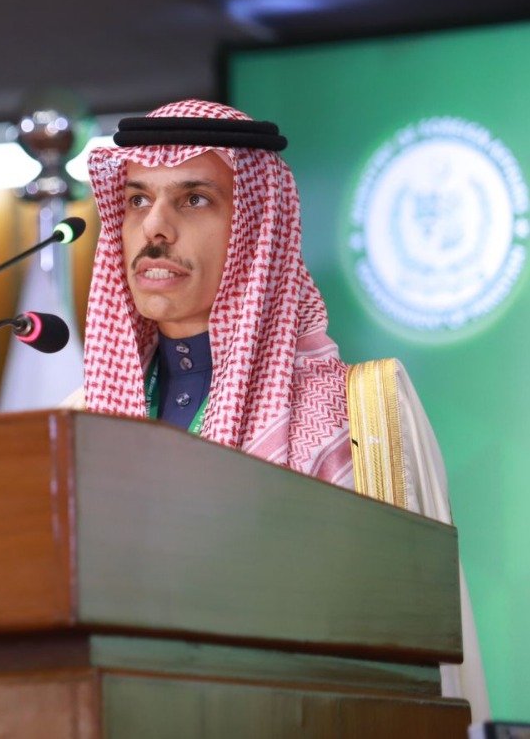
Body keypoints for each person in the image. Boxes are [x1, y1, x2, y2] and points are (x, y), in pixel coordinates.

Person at [70, 98, 488, 718]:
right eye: (136, 199)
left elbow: (413, 658)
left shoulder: (360, 413)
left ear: (256, 230)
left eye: (193, 199)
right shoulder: (80, 421)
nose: (154, 228)